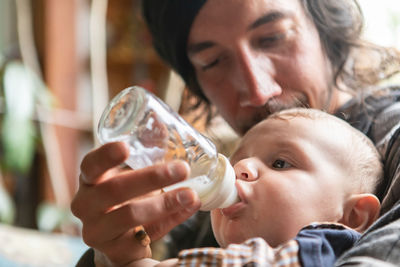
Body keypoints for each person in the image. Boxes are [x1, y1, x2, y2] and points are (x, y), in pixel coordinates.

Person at [71, 0, 400, 266]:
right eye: (213, 62)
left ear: (327, 30)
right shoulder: (208, 194)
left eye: (273, 37)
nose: (258, 91)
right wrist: (110, 255)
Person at [130, 108, 384, 267]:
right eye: (235, 162)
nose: (241, 168)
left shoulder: (326, 248)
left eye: (280, 163)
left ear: (352, 215)